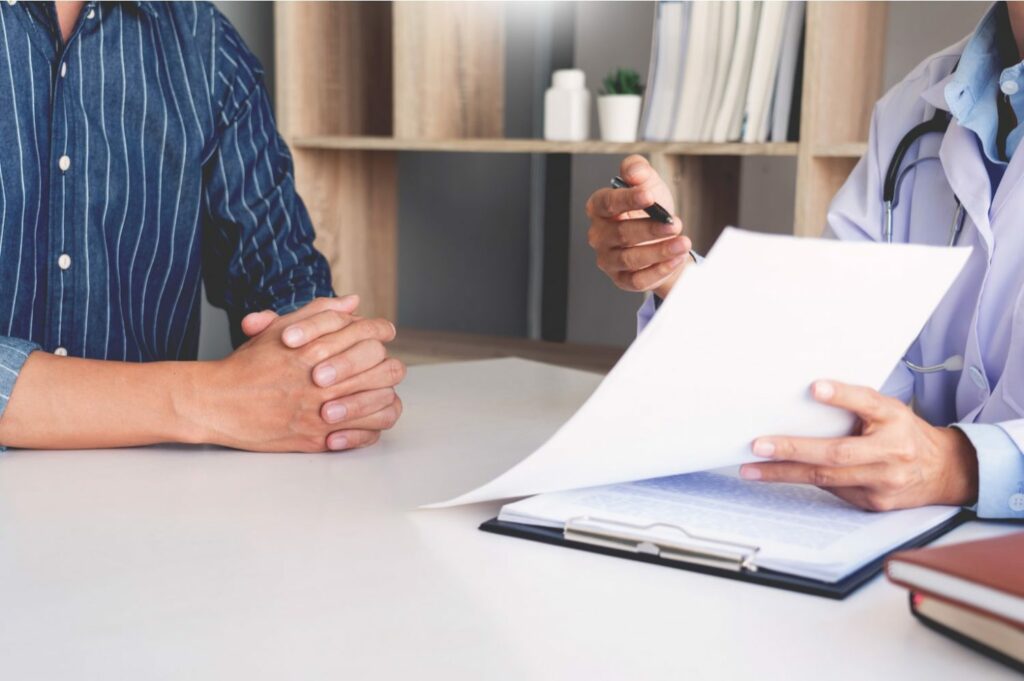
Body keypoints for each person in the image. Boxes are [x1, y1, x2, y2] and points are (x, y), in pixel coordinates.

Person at [586, 1, 1024, 519]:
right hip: (908, 537)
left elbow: (938, 462)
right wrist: (675, 276)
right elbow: (830, 352)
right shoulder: (917, 105)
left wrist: (960, 467)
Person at [0, 1, 405, 452]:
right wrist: (211, 399)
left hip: (156, 502)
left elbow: (285, 284)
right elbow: (231, 399)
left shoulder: (203, 42)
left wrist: (331, 368)